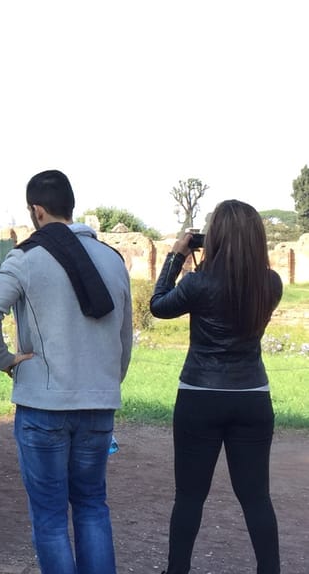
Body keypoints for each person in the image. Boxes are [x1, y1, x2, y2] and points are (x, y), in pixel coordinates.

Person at [0, 169, 133, 574]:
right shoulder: (113, 260)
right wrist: (105, 381)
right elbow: (124, 338)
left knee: (50, 519)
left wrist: (3, 359)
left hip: (43, 405)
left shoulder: (27, 256)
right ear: (71, 205)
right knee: (93, 507)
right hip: (98, 404)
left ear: (36, 210)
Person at [149, 200, 282, 574]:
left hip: (200, 395)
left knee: (189, 497)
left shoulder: (198, 282)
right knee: (257, 497)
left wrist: (177, 257)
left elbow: (158, 305)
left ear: (217, 237)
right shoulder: (271, 283)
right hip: (253, 395)